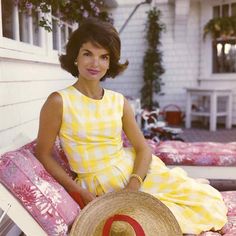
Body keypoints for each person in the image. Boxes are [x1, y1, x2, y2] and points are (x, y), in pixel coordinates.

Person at [35, 18, 227, 235]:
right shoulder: (59, 101)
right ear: (75, 57)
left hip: (134, 172)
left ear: (110, 63)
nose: (95, 63)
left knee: (203, 201)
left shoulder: (118, 101)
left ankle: (182, 187)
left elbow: (143, 148)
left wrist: (134, 186)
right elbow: (43, 153)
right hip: (101, 184)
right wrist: (78, 191)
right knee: (152, 223)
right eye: (87, 53)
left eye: (103, 57)